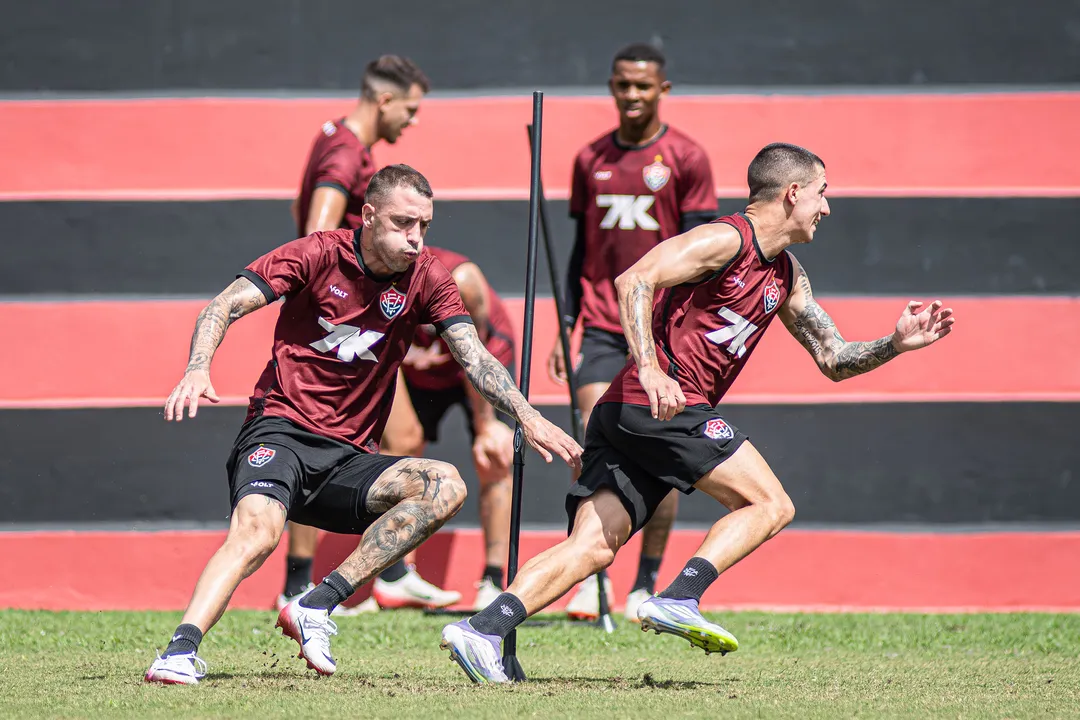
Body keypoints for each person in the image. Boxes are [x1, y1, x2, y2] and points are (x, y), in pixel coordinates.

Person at [441, 143, 955, 684]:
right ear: (794, 192)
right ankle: (680, 596)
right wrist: (650, 368)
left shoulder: (786, 273)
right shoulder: (725, 239)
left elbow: (833, 358)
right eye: (823, 193)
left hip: (630, 412)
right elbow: (633, 280)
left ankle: (483, 630)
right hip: (657, 403)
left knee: (592, 546)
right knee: (771, 504)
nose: (827, 208)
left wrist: (895, 344)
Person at [144, 165, 581, 685]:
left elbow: (475, 357)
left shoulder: (428, 278)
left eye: (424, 225)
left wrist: (527, 416)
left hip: (349, 459)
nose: (415, 238)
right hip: (280, 430)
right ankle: (178, 651)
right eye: (402, 223)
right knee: (257, 534)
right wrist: (197, 367)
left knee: (446, 484)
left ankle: (317, 604)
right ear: (369, 216)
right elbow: (224, 305)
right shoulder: (316, 253)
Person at [277, 55, 462, 614]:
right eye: (410, 108)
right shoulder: (348, 151)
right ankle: (301, 583)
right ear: (385, 101)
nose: (412, 121)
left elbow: (297, 205)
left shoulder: (329, 135)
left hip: (355, 320)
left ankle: (389, 571)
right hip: (346, 323)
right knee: (327, 444)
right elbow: (318, 224)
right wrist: (331, 296)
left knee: (398, 438)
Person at [549, 42, 719, 622]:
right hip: (600, 324)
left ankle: (645, 582)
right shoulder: (588, 158)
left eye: (643, 86)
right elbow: (579, 252)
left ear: (662, 90)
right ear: (611, 87)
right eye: (623, 85)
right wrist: (564, 324)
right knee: (594, 448)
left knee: (659, 455)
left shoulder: (687, 157)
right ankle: (589, 577)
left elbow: (701, 255)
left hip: (664, 332)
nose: (632, 96)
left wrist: (688, 332)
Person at [382, 246, 517, 611]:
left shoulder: (472, 299)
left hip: (474, 366)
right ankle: (393, 574)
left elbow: (476, 359)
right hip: (419, 369)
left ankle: (492, 579)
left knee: (494, 458)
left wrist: (486, 424)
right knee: (397, 452)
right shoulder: (388, 273)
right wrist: (411, 356)